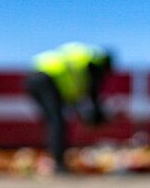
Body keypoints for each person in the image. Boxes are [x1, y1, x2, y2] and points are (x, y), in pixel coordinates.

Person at [27, 43, 113, 172]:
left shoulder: (83, 59)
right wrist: (97, 116)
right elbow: (92, 96)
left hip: (35, 76)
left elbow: (75, 96)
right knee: (57, 121)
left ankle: (54, 159)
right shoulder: (93, 65)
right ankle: (58, 164)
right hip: (47, 77)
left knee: (53, 121)